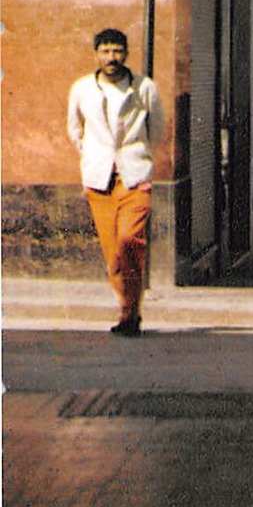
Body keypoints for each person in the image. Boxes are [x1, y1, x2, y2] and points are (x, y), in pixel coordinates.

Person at [67, 28, 166, 336]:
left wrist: (142, 158)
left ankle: (130, 310)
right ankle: (129, 309)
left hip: (134, 176)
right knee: (113, 255)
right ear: (97, 54)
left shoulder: (143, 87)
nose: (112, 57)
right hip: (100, 179)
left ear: (126, 54)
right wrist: (93, 157)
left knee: (130, 242)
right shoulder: (83, 88)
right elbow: (74, 129)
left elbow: (158, 128)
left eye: (117, 51)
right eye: (106, 51)